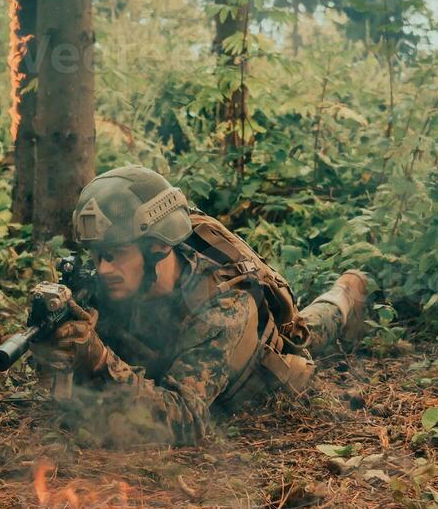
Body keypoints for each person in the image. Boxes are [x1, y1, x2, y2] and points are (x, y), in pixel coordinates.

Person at [30, 166, 368, 446]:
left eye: (114, 254)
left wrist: (101, 359)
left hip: (261, 375)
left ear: (157, 249)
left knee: (308, 330)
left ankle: (346, 294)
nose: (102, 269)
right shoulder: (108, 281)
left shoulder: (223, 305)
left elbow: (183, 421)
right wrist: (53, 346)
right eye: (95, 255)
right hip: (165, 372)